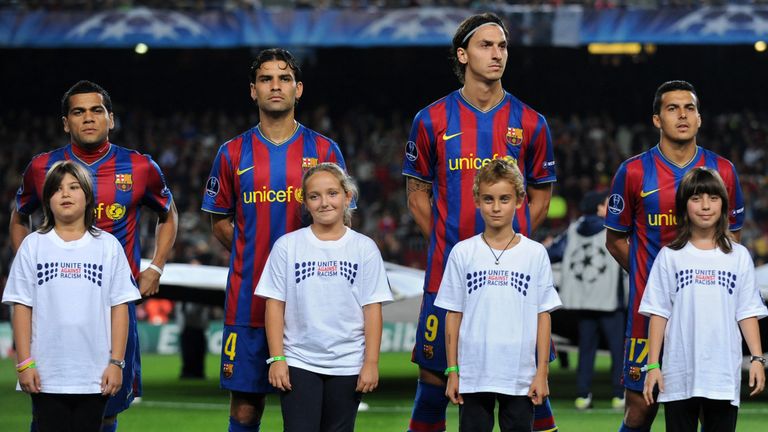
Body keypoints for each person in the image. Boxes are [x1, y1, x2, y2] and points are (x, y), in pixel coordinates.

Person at [402, 12, 558, 432]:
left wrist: (512, 243)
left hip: (515, 276)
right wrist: (449, 246)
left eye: (502, 45)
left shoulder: (531, 123)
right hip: (446, 270)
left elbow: (541, 192)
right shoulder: (431, 120)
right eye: (486, 45)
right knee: (434, 380)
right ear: (463, 54)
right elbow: (416, 191)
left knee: (528, 381)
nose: (496, 53)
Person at [10, 80, 178, 432]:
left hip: (113, 306)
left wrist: (156, 266)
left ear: (110, 119)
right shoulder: (44, 168)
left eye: (96, 110)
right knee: (46, 404)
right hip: (56, 304)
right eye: (78, 111)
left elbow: (168, 214)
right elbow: (18, 217)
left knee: (107, 407)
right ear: (65, 122)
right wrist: (31, 268)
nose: (88, 118)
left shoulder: (139, 167)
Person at [201, 48, 351, 432]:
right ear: (253, 90)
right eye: (266, 79)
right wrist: (257, 255)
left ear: (298, 88)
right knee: (245, 410)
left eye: (284, 79)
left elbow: (340, 220)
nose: (275, 86)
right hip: (249, 300)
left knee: (306, 413)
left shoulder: (323, 151)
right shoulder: (231, 152)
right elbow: (219, 222)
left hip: (311, 306)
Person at [605, 80, 745, 432]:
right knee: (640, 410)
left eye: (689, 108)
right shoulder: (634, 171)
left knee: (705, 403)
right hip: (648, 313)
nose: (682, 115)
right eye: (672, 108)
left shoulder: (723, 171)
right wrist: (654, 282)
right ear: (657, 120)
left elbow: (733, 240)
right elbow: (615, 239)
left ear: (699, 119)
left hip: (705, 312)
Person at [3, 161, 141, 432]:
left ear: (87, 196)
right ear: (47, 200)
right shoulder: (33, 246)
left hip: (94, 375)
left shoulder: (108, 246)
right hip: (46, 375)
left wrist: (116, 363)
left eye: (73, 187)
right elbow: (21, 307)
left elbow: (120, 308)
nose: (65, 194)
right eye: (56, 189)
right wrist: (24, 363)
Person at [256, 163, 393, 432]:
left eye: (332, 193)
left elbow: (372, 309)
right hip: (298, 361)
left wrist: (371, 363)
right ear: (305, 203)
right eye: (314, 196)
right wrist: (277, 359)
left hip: (348, 362)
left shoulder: (364, 248)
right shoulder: (288, 246)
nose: (324, 202)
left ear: (347, 197)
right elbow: (274, 305)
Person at [437, 159, 562, 431]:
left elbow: (543, 317)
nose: (496, 207)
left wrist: (542, 373)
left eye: (504, 199)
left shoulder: (534, 253)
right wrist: (453, 372)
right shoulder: (462, 252)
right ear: (477, 200)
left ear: (519, 200)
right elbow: (453, 315)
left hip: (519, 375)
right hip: (473, 374)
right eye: (488, 199)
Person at [640, 167, 766, 432]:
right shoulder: (670, 256)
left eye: (713, 198)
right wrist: (653, 365)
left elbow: (747, 311)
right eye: (696, 198)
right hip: (677, 377)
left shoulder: (738, 256)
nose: (706, 206)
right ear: (684, 206)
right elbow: (658, 313)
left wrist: (757, 359)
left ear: (724, 204)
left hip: (722, 376)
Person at [548, 191, 625, 410]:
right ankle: (619, 395)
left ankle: (583, 395)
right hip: (610, 301)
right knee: (617, 349)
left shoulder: (573, 229)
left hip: (582, 301)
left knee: (586, 349)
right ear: (600, 208)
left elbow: (553, 252)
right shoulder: (614, 230)